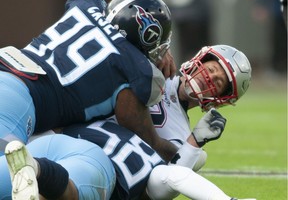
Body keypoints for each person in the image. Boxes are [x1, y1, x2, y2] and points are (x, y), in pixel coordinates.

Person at [0, 45, 254, 200]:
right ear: (199, 58)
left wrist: (192, 146)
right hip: (61, 127)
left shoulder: (181, 133)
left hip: (100, 162)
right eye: (210, 70)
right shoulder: (153, 66)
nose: (208, 79)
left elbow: (161, 183)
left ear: (220, 99)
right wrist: (151, 47)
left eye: (217, 82)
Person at [0, 0, 178, 161]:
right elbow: (151, 143)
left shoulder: (86, 4)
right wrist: (181, 153)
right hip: (20, 100)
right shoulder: (134, 70)